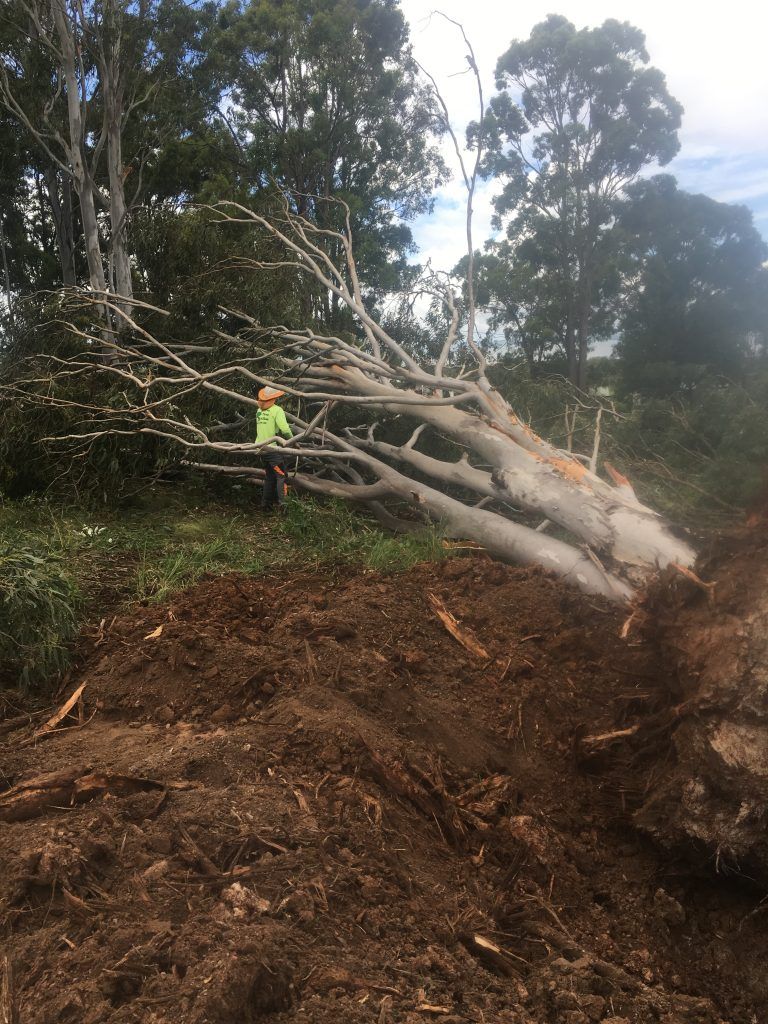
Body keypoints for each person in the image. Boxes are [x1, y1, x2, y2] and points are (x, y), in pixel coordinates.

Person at [255, 386, 293, 511]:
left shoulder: (259, 410)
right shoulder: (277, 410)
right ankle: (283, 506)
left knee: (270, 477)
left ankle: (265, 505)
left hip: (259, 448)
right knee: (281, 476)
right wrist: (292, 441)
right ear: (274, 397)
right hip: (271, 449)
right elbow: (285, 429)